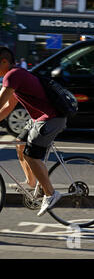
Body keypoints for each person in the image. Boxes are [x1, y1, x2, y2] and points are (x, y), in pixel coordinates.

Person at [0, 46, 66, 216]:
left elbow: (0, 102)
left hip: (51, 118)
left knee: (31, 154)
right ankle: (31, 182)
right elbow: (7, 108)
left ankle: (51, 194)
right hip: (39, 119)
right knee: (19, 144)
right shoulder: (17, 75)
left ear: (4, 62)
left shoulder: (12, 76)